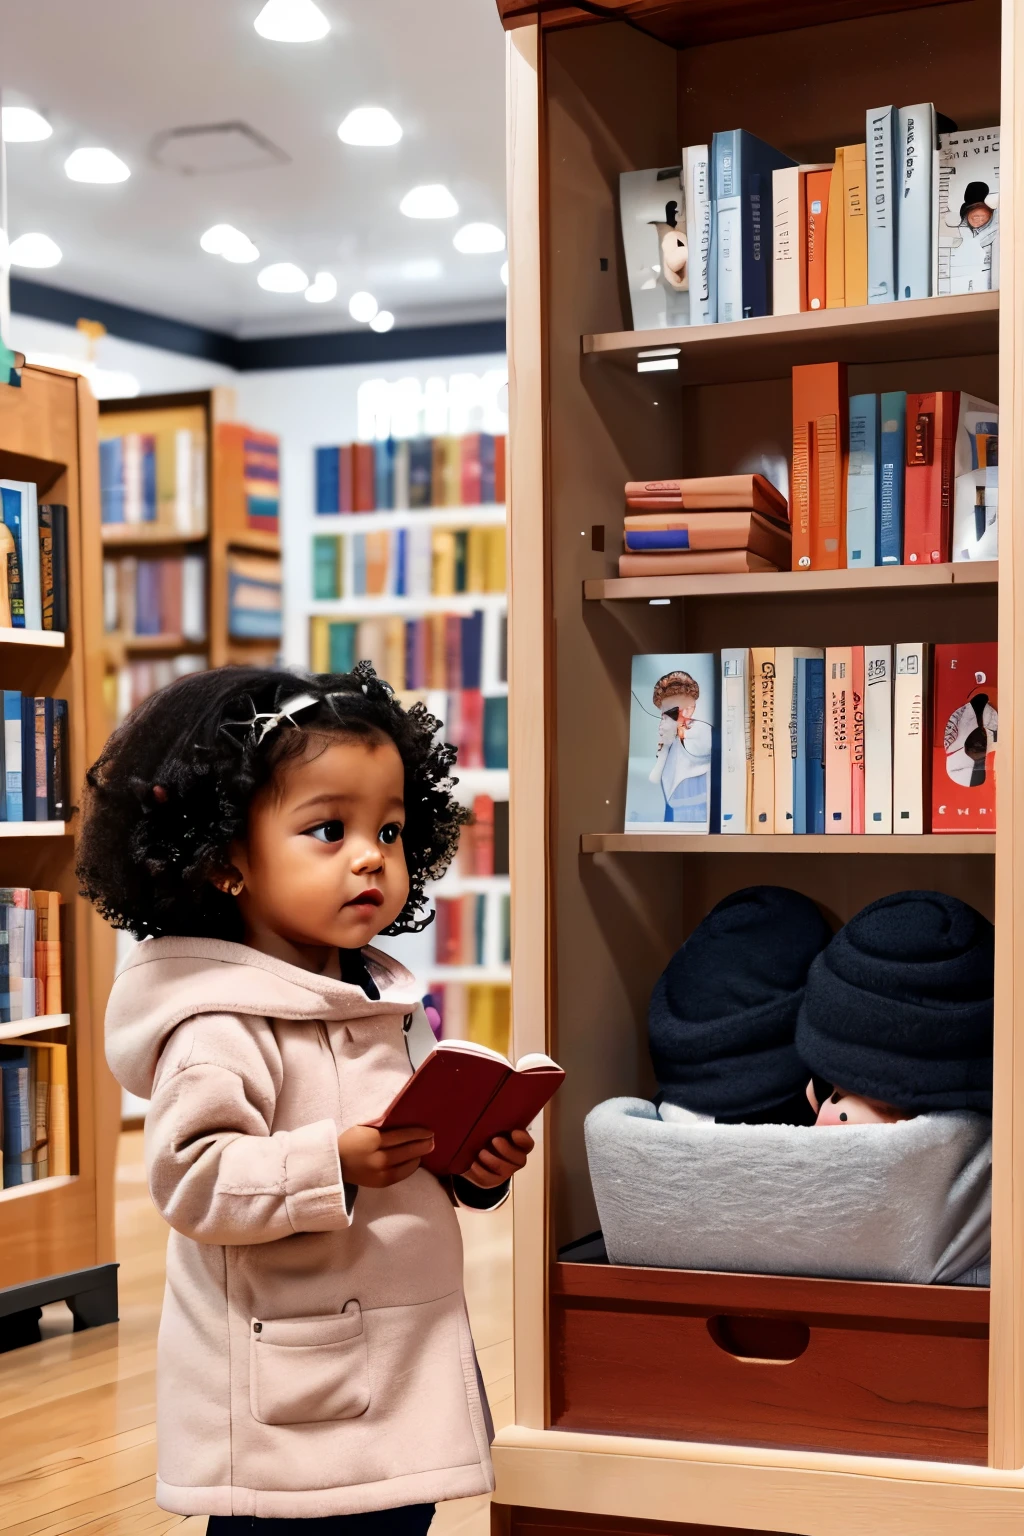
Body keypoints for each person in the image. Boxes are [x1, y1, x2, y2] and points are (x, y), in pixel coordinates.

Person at [77, 663, 534, 1536]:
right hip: (292, 1397)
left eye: (392, 831)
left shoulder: (384, 1002)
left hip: (400, 1374)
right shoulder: (217, 1025)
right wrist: (333, 1161)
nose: (372, 856)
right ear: (222, 861)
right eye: (329, 829)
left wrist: (474, 1165)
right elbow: (194, 1179)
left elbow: (409, 1145)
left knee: (398, 1520)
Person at [647, 670, 712, 825]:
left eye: (669, 715)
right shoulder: (670, 745)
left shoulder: (701, 733)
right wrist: (663, 750)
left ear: (690, 709)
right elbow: (654, 779)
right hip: (676, 821)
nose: (662, 724)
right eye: (663, 716)